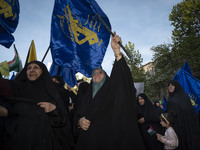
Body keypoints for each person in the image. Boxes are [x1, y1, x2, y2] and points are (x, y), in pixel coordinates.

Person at [73, 32, 145, 150]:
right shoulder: (86, 96)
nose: (96, 74)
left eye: (100, 72)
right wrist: (80, 122)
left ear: (106, 76)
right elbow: (77, 115)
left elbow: (122, 81)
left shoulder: (112, 92)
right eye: (94, 73)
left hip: (112, 141)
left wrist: (117, 52)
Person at [0, 61, 74, 150]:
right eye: (29, 68)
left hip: (41, 142)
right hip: (15, 140)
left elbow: (62, 122)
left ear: (43, 72)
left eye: (36, 67)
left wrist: (53, 110)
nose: (31, 70)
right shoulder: (17, 90)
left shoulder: (51, 92)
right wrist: (7, 111)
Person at [166, 80, 200, 150]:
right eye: (168, 86)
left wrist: (175, 112)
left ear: (176, 86)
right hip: (175, 125)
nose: (169, 87)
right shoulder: (170, 98)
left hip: (184, 124)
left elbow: (187, 110)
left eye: (171, 85)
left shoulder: (183, 97)